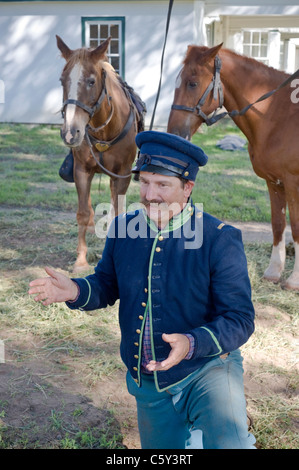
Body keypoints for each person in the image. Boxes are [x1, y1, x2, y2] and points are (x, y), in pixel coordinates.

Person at [28, 131, 256, 449]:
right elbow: (106, 286)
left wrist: (193, 342)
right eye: (144, 182)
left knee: (231, 445)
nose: (150, 195)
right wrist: (75, 291)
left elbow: (240, 319)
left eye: (162, 184)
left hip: (207, 369)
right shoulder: (123, 228)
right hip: (147, 379)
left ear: (188, 188)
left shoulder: (219, 238)